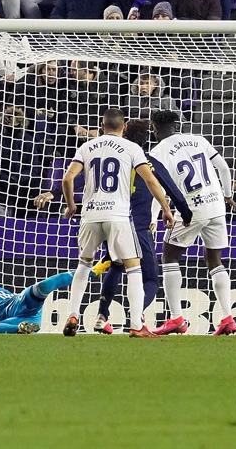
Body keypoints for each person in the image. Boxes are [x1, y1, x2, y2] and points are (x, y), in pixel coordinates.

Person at [61, 108, 175, 338]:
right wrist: (165, 207)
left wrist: (72, 205)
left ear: (102, 125)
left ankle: (73, 314)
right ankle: (136, 325)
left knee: (83, 265)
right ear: (123, 126)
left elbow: (67, 178)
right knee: (133, 268)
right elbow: (151, 180)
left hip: (90, 216)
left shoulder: (87, 147)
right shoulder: (132, 148)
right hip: (118, 216)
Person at [84, 119, 193, 334]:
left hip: (113, 221)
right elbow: (172, 189)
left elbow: (80, 177)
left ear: (125, 134)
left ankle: (101, 316)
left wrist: (56, 192)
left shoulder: (114, 158)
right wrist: (185, 213)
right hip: (140, 228)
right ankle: (137, 315)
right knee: (151, 278)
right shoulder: (149, 161)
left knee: (116, 266)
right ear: (148, 138)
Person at [148, 109, 236, 336]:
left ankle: (176, 318)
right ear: (176, 125)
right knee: (214, 259)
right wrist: (227, 195)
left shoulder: (157, 152)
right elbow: (224, 168)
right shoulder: (199, 140)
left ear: (154, 128)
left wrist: (152, 218)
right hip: (216, 205)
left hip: (191, 208)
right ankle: (228, 317)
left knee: (169, 256)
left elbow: (158, 187)